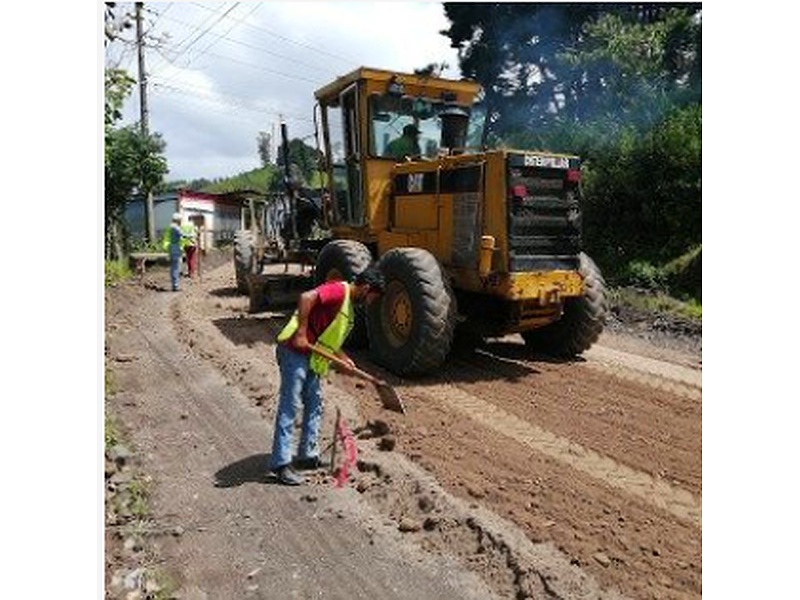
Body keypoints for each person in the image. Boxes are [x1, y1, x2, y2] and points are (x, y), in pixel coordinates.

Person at [268, 266, 386, 485]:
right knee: (290, 405)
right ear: (367, 288)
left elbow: (327, 335)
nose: (371, 303)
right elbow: (306, 297)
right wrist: (301, 333)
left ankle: (308, 456)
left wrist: (343, 357)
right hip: (294, 351)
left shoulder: (348, 306)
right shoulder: (339, 290)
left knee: (314, 404)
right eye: (372, 298)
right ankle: (281, 464)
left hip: (312, 357)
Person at [162, 212, 190, 291]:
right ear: (178, 220)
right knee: (176, 267)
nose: (181, 221)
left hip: (172, 247)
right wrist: (192, 235)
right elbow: (183, 235)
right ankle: (175, 286)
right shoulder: (175, 227)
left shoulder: (171, 226)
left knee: (174, 267)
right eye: (180, 220)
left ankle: (175, 285)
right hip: (175, 248)